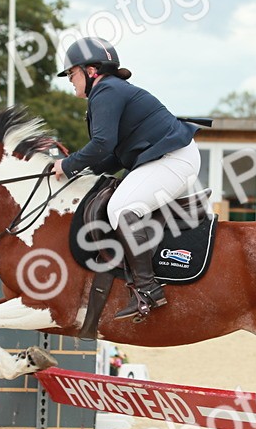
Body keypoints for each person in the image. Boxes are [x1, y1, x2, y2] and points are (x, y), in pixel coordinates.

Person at [52, 37, 201, 320]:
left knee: (120, 207)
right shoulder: (110, 90)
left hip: (173, 159)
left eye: (71, 73)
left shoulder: (106, 90)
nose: (70, 80)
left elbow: (102, 144)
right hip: (168, 158)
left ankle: (148, 290)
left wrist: (68, 164)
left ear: (91, 71)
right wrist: (81, 173)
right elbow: (115, 156)